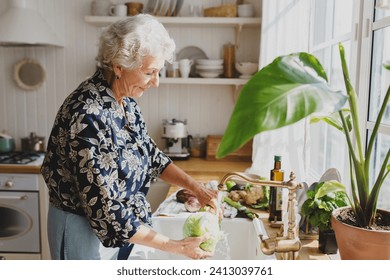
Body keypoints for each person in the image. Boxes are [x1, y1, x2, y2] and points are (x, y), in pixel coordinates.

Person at [40, 14, 218, 260]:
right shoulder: (87, 116)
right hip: (82, 230)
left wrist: (197, 189)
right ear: (119, 66)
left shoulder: (126, 102)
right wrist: (177, 246)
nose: (156, 82)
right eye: (149, 72)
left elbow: (151, 156)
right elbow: (106, 210)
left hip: (124, 227)